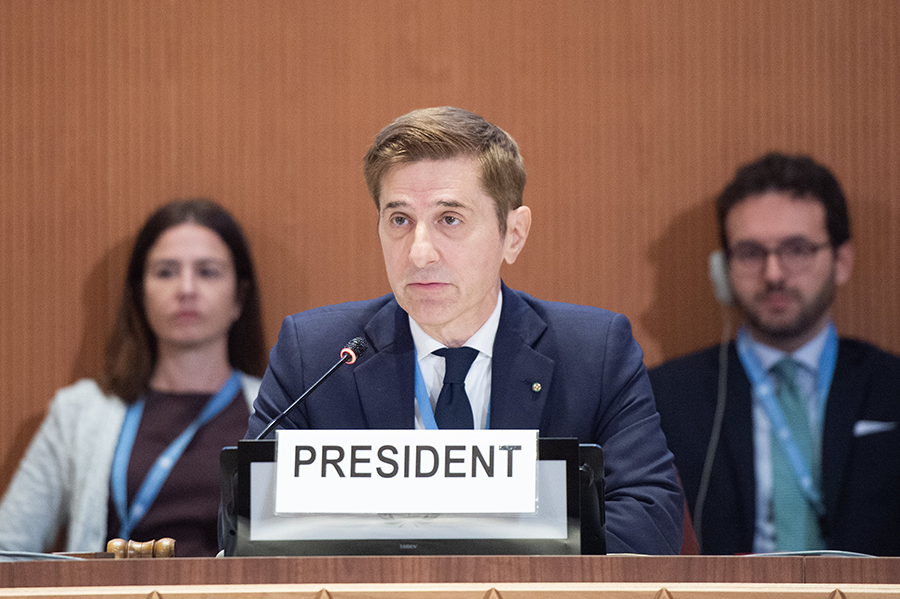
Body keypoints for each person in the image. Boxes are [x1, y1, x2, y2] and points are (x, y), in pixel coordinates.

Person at [247, 106, 683, 554]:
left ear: (512, 234)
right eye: (400, 220)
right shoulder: (315, 354)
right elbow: (250, 519)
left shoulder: (594, 352)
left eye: (449, 219)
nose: (419, 253)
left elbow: (650, 517)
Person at [649, 153, 900, 556]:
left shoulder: (891, 386)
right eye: (750, 253)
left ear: (842, 261)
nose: (773, 274)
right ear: (722, 271)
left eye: (796, 249)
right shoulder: (664, 397)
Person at [0, 199, 266, 557]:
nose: (186, 288)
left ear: (239, 297)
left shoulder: (281, 409)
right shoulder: (79, 412)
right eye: (166, 272)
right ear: (140, 294)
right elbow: (7, 550)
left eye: (208, 272)